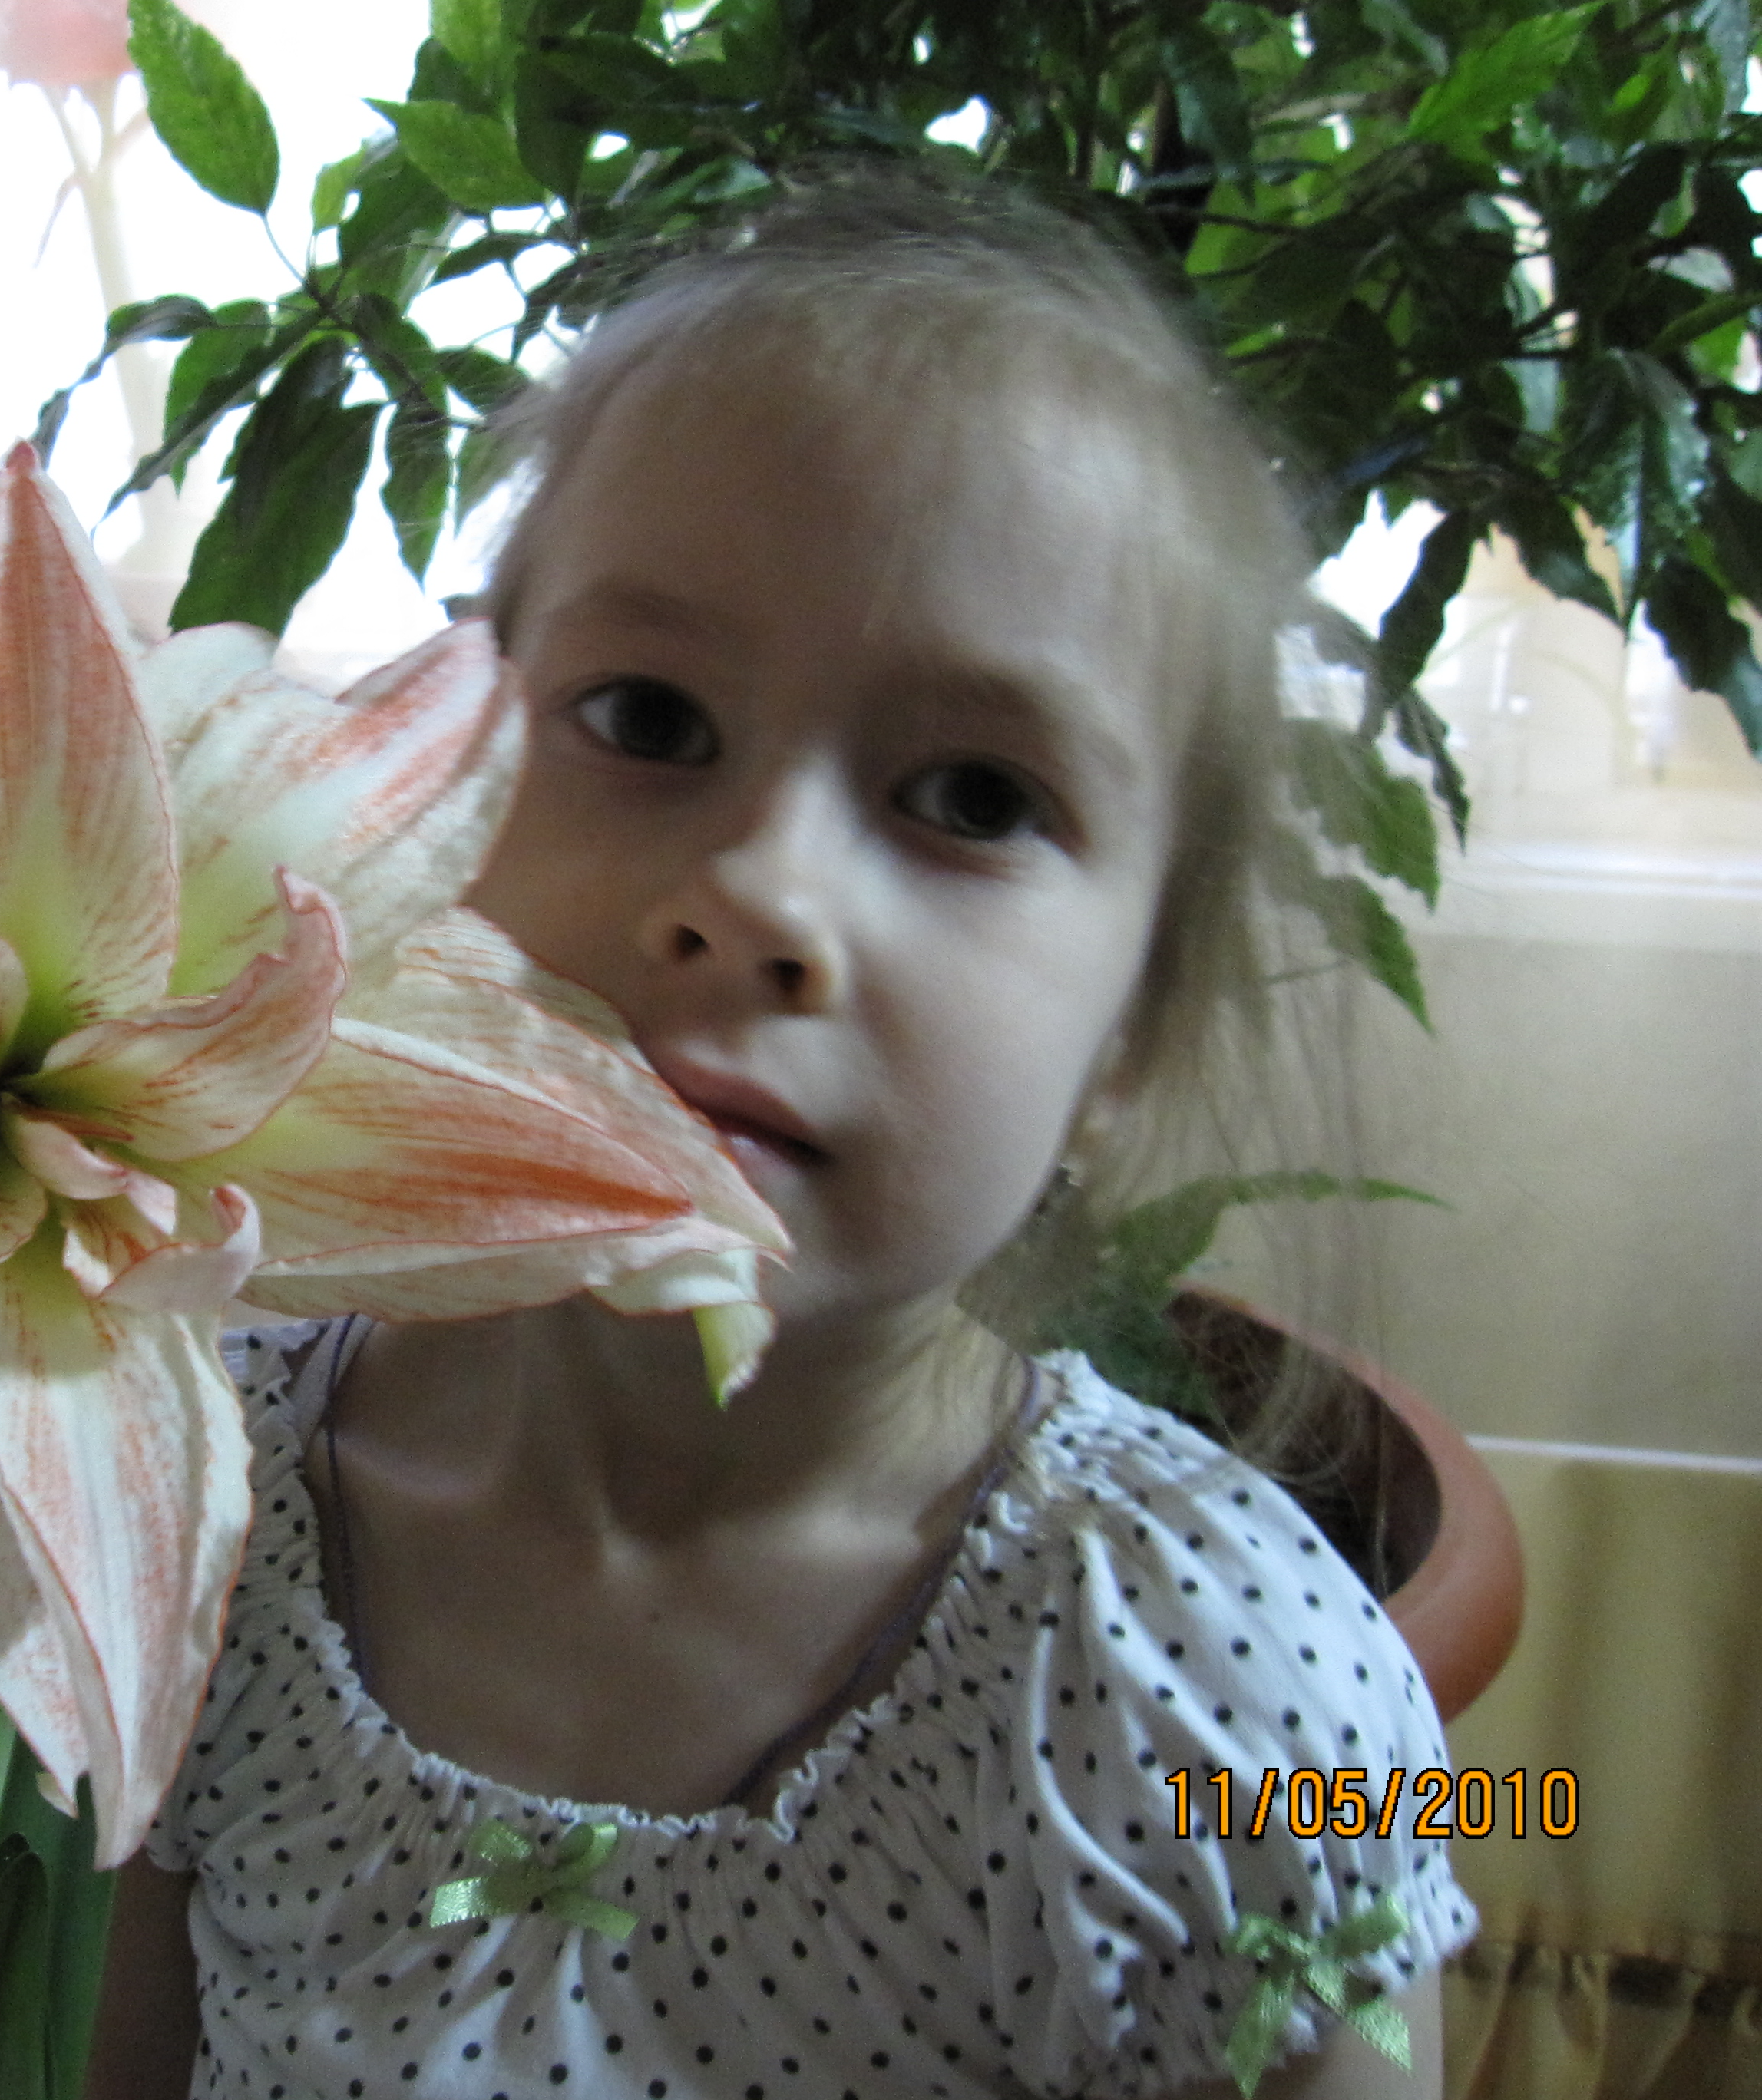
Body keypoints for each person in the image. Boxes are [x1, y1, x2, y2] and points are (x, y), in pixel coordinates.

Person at [88, 166, 1472, 2099]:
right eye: (651, 720)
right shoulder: (195, 1491)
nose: (756, 890)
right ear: (439, 787)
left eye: (973, 798)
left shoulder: (1220, 1702)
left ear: (1129, 1033)